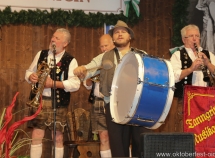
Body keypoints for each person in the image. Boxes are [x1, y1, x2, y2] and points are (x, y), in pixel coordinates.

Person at [73, 20, 150, 157]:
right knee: (118, 146)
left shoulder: (141, 54)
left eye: (123, 32)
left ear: (129, 36)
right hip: (114, 106)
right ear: (113, 38)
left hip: (138, 105)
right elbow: (89, 68)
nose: (119, 34)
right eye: (116, 32)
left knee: (141, 143)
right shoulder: (104, 57)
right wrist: (82, 69)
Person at [25, 28, 80, 158]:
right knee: (37, 134)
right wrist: (30, 76)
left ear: (65, 43)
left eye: (57, 38)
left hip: (59, 103)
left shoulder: (70, 60)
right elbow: (28, 71)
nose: (53, 39)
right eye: (53, 37)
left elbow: (75, 84)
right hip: (40, 100)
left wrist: (54, 84)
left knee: (58, 137)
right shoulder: (41, 54)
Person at [161, 24, 215, 133]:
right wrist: (191, 69)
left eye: (197, 35)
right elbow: (173, 76)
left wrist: (208, 63)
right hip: (186, 101)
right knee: (185, 132)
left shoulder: (207, 54)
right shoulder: (177, 55)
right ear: (183, 40)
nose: (195, 39)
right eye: (191, 36)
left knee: (205, 132)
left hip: (206, 100)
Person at [83, 34, 115, 157]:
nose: (103, 49)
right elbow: (87, 84)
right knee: (103, 136)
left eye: (106, 45)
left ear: (113, 44)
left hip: (114, 102)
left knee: (120, 136)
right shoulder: (97, 61)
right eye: (101, 46)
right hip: (98, 101)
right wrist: (89, 80)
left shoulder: (119, 60)